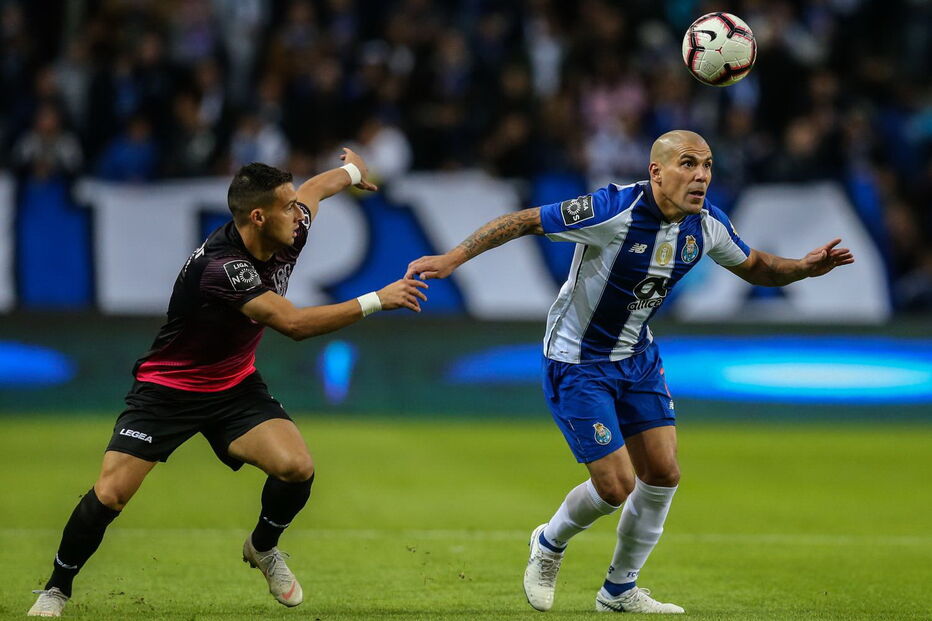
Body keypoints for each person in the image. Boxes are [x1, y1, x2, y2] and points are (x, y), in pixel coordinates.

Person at [405, 130, 854, 614]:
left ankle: (618, 590)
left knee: (663, 472)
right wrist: (453, 258)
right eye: (687, 164)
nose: (700, 175)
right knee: (615, 486)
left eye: (706, 165)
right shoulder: (611, 210)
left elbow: (758, 266)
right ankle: (549, 543)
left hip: (637, 358)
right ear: (656, 172)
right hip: (578, 362)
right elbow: (523, 221)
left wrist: (803, 268)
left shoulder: (706, 225)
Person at [28, 149, 428, 617]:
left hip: (233, 387)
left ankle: (262, 546)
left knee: (297, 467)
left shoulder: (288, 227)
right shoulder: (223, 268)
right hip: (167, 392)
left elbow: (316, 189)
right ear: (257, 217)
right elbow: (294, 325)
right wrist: (378, 299)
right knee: (112, 493)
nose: (297, 215)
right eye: (285, 208)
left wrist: (355, 170)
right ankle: (56, 589)